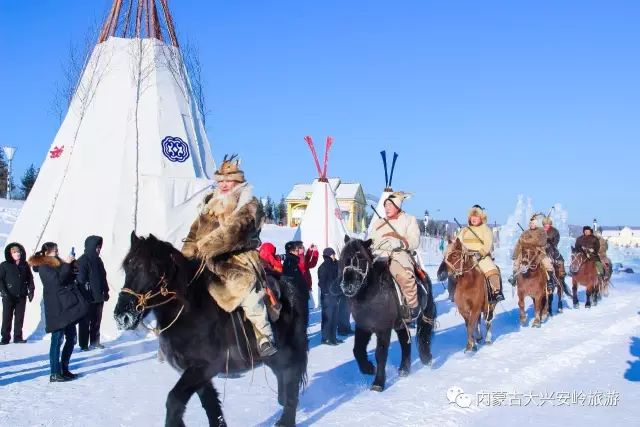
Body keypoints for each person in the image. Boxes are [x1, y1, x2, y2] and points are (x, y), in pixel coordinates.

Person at [181, 155, 276, 357]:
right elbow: (193, 232)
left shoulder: (249, 204)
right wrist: (185, 255)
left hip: (238, 258)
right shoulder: (209, 204)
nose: (224, 185)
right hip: (205, 260)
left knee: (248, 294)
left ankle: (264, 336)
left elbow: (232, 234)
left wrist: (201, 248)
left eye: (228, 181)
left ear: (238, 182)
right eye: (221, 181)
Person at [29, 242, 85, 382]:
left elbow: (67, 276)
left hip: (67, 305)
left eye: (57, 250)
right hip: (56, 307)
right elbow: (58, 281)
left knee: (71, 338)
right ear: (46, 253)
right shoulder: (43, 267)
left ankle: (64, 369)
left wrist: (72, 265)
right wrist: (66, 264)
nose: (57, 252)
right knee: (57, 339)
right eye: (54, 251)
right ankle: (55, 372)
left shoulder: (58, 262)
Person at [369, 191, 421, 320]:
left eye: (389, 205)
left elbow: (415, 241)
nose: (386, 208)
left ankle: (412, 304)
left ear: (397, 206)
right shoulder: (378, 222)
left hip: (397, 254)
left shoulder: (409, 219)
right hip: (377, 255)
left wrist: (399, 242)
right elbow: (370, 240)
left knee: (404, 276)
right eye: (385, 205)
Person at [457, 205, 504, 302]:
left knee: (492, 270)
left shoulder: (485, 229)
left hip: (481, 256)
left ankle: (496, 292)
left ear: (481, 218)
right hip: (465, 256)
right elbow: (457, 243)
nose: (474, 219)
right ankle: (453, 291)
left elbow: (487, 244)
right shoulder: (465, 230)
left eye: (477, 216)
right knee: (454, 270)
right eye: (472, 216)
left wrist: (480, 254)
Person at [76, 235, 109, 351]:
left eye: (100, 247)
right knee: (85, 322)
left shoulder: (99, 261)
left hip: (99, 296)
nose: (99, 250)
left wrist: (106, 290)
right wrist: (86, 292)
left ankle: (95, 341)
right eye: (97, 247)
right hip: (87, 297)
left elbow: (103, 277)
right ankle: (83, 344)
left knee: (96, 321)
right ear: (91, 247)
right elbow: (81, 279)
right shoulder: (82, 260)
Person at [0, 243, 35, 344]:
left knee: (19, 317)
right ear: (10, 254)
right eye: (14, 252)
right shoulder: (4, 265)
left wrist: (31, 290)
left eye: (18, 251)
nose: (17, 254)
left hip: (21, 295)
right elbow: (0, 280)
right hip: (8, 296)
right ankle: (5, 338)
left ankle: (18, 337)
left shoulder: (25, 265)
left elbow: (30, 279)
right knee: (7, 317)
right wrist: (3, 291)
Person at [510, 215, 555, 290]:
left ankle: (550, 281)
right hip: (526, 251)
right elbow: (519, 242)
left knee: (547, 263)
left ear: (536, 224)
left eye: (533, 223)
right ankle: (514, 278)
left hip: (539, 251)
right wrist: (515, 254)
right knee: (516, 262)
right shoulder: (525, 232)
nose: (532, 225)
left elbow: (542, 242)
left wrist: (529, 241)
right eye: (530, 223)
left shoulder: (542, 231)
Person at [318, 248, 343, 345]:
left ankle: (333, 337)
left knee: (334, 317)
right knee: (327, 317)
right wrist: (326, 293)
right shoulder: (323, 267)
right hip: (327, 296)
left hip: (335, 295)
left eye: (334, 254)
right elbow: (321, 282)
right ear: (328, 255)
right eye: (333, 254)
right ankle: (325, 338)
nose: (334, 256)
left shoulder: (336, 264)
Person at [542, 216, 567, 290]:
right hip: (541, 249)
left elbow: (556, 240)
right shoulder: (540, 231)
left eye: (548, 224)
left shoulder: (554, 231)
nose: (546, 225)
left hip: (551, 248)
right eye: (545, 224)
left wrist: (550, 243)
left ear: (550, 224)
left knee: (560, 259)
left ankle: (561, 274)